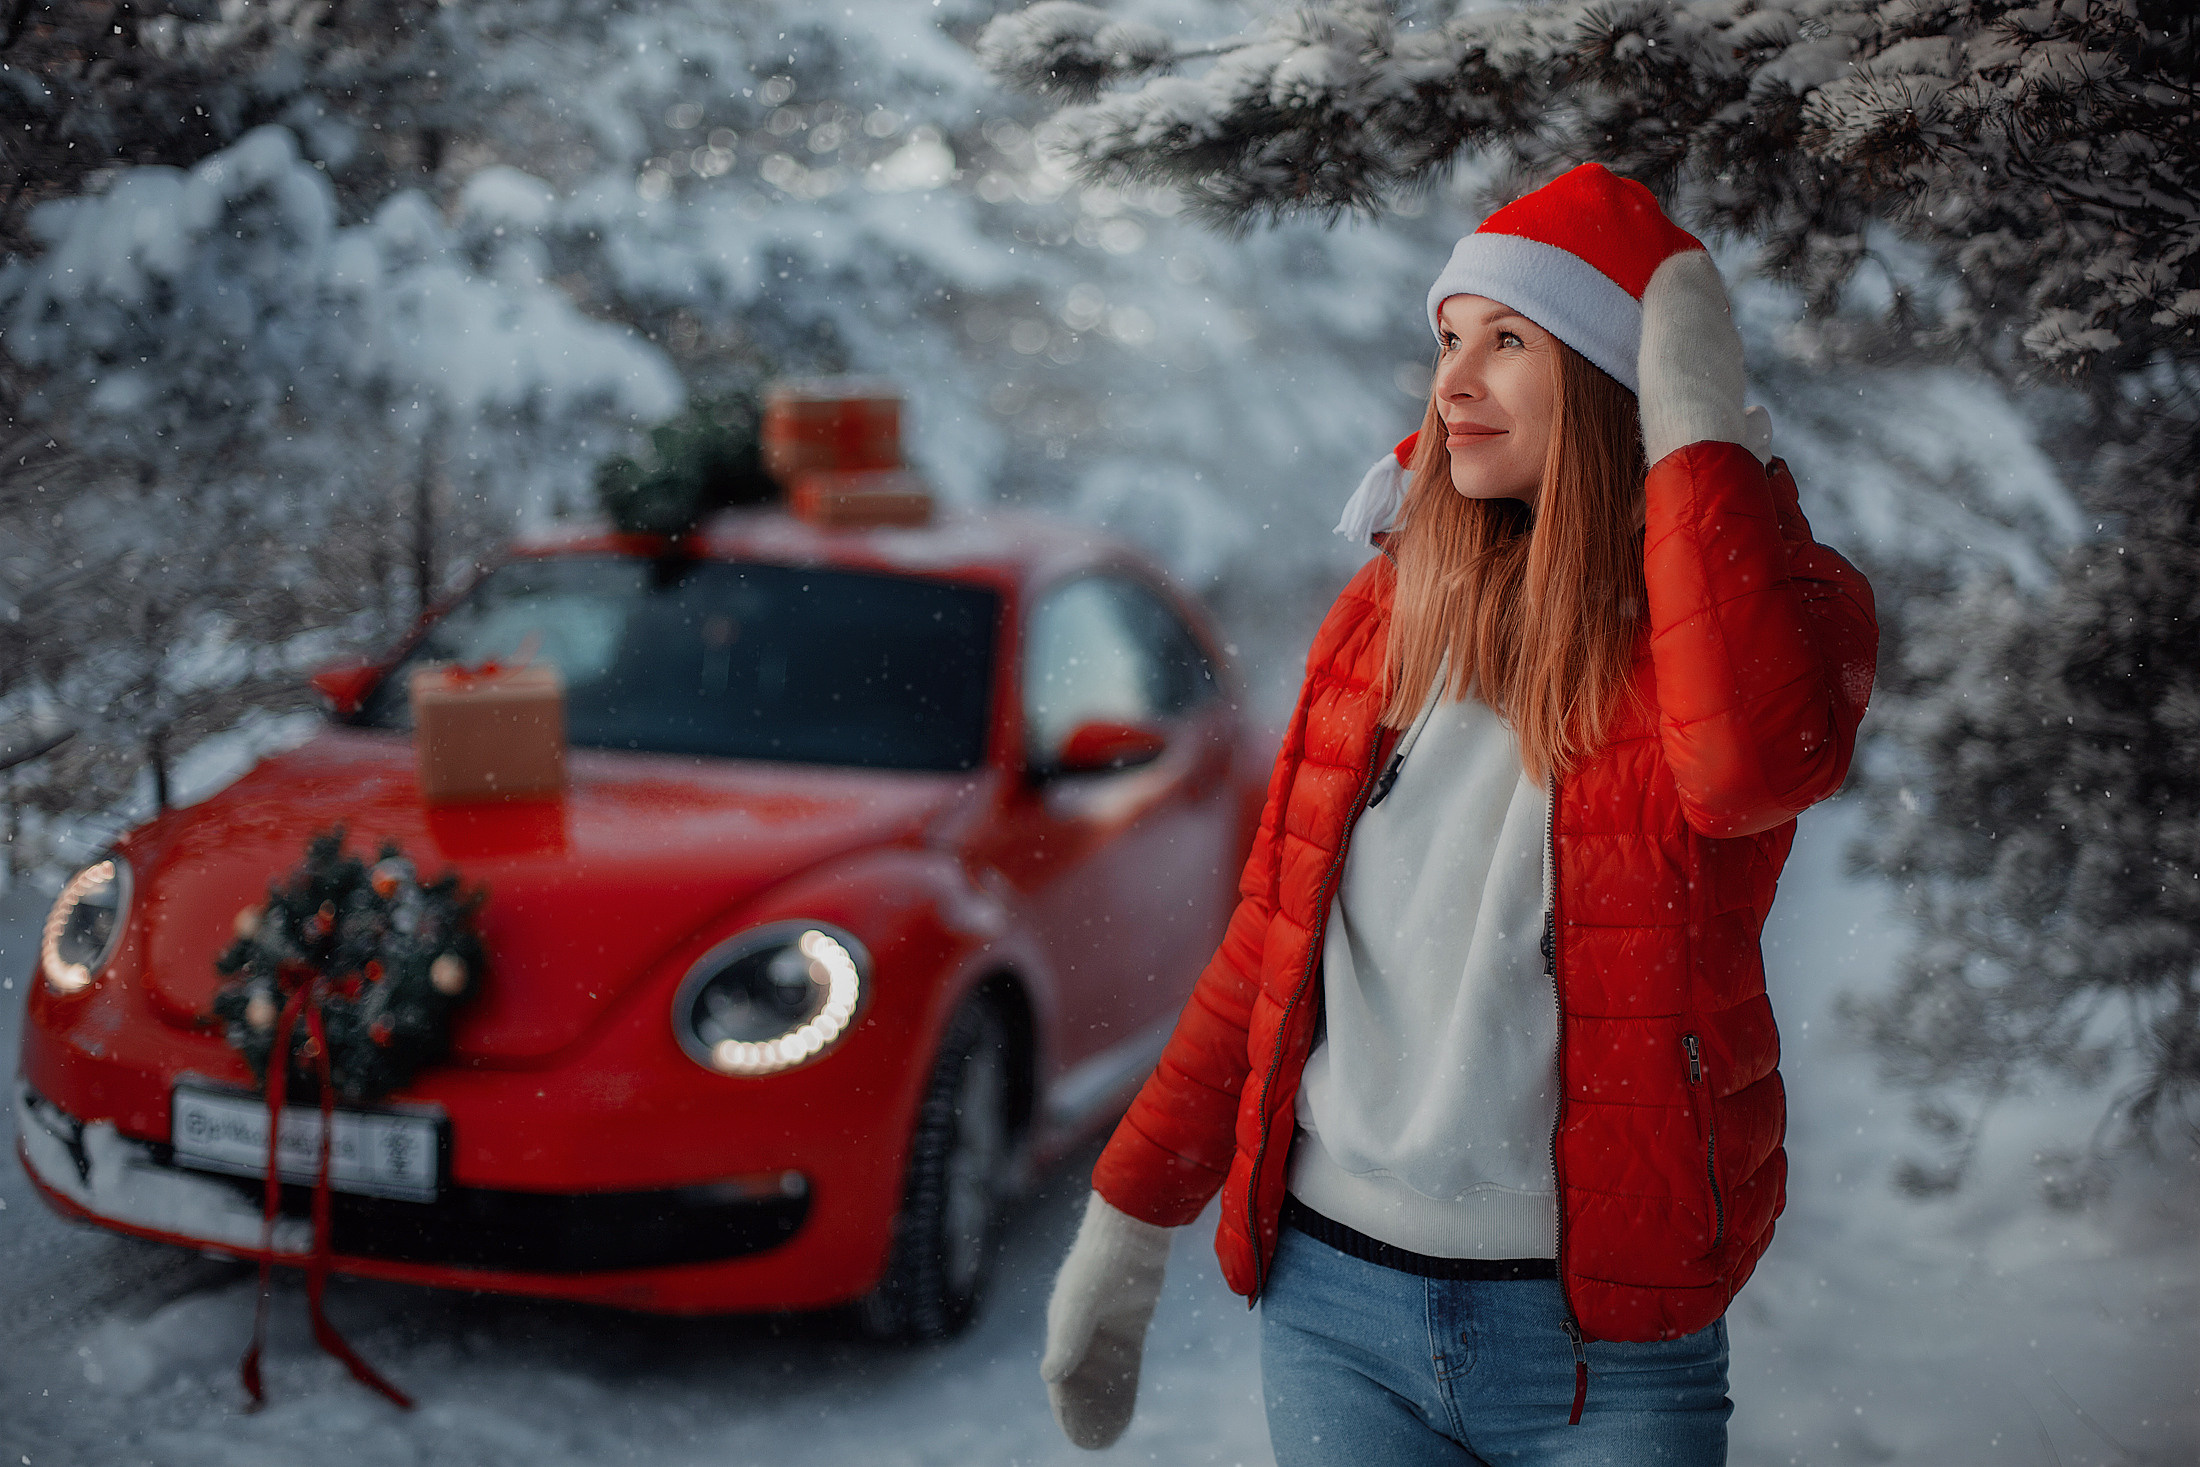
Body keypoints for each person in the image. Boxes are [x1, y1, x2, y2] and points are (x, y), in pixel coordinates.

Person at [1036, 163, 1879, 1464]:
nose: (1452, 382)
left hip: (1606, 1344)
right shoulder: (1384, 620)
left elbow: (1748, 771)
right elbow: (1270, 948)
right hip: (1334, 1311)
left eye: (1507, 341)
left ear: (1621, 379)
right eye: (1446, 340)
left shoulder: (1766, 616)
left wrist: (1700, 434)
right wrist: (1129, 1219)